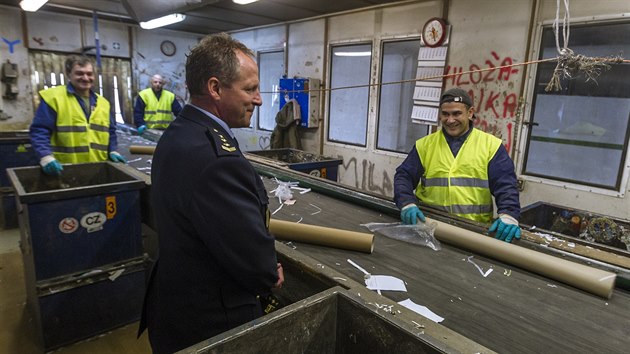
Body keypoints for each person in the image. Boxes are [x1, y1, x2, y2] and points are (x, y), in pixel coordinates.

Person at [138, 33, 284, 353]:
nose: (258, 100)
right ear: (215, 88)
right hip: (211, 324)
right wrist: (268, 269)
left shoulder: (178, 133)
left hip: (173, 308)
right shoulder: (216, 160)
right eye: (250, 89)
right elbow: (258, 267)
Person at [393, 88, 521, 243]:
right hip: (429, 227)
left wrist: (508, 215)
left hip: (474, 231)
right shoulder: (425, 145)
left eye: (456, 113)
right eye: (445, 114)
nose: (450, 120)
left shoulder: (490, 146)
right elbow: (404, 176)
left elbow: (506, 185)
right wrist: (406, 202)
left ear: (470, 112)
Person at [29, 55, 126, 176]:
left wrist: (113, 150)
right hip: (63, 169)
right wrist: (45, 156)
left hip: (98, 168)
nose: (85, 78)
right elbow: (40, 130)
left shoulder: (103, 103)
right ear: (69, 74)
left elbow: (110, 131)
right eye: (79, 73)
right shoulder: (53, 98)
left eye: (89, 74)